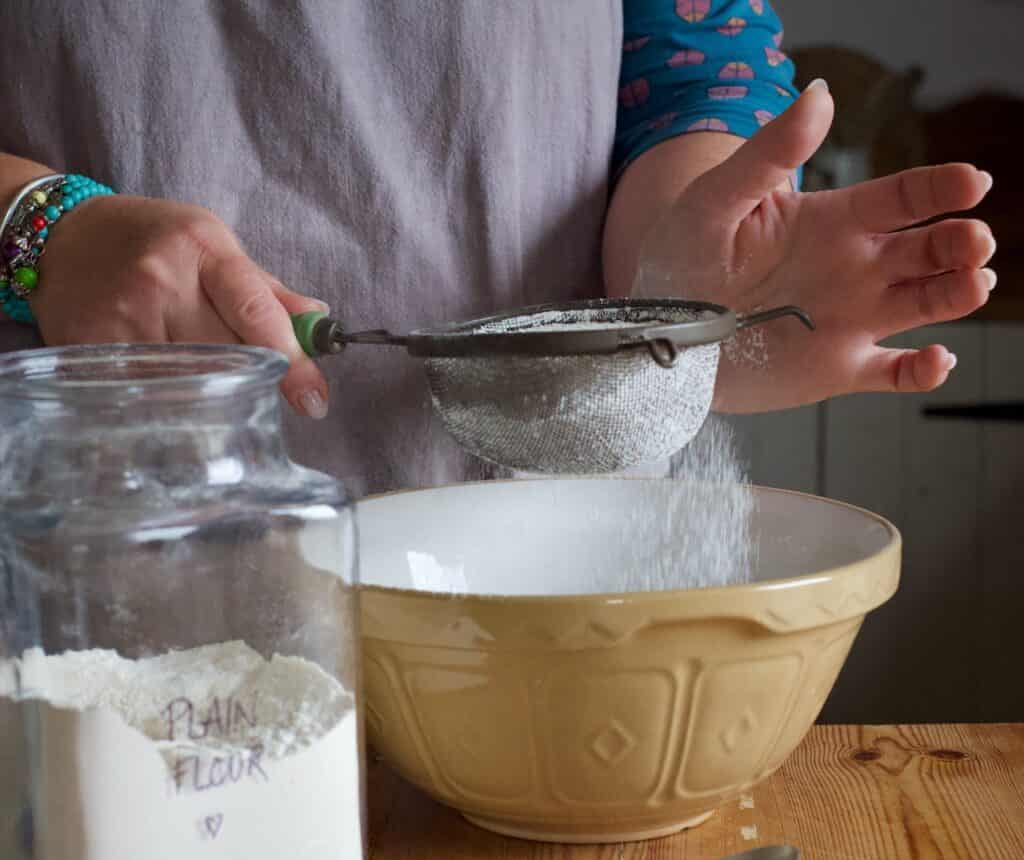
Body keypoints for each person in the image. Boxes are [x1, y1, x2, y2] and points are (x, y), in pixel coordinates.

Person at [0, 1, 995, 493]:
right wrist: (39, 225)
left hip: (548, 578)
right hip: (89, 558)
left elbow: (688, 58)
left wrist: (688, 264)